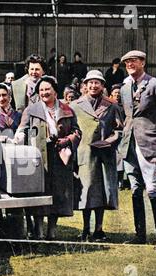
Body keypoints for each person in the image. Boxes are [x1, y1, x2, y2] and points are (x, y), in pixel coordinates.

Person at [11, 76, 81, 240]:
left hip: (60, 158)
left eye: (47, 89)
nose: (44, 93)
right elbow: (22, 130)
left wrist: (68, 140)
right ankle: (39, 230)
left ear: (55, 91)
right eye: (41, 90)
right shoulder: (31, 109)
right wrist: (17, 141)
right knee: (40, 193)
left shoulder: (67, 109)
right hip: (39, 158)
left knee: (58, 193)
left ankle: (52, 230)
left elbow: (77, 132)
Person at [119, 50, 156, 249]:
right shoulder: (125, 88)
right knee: (135, 189)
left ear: (143, 62)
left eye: (133, 61)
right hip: (129, 144)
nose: (130, 64)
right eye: (127, 62)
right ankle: (139, 234)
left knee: (152, 188)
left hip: (150, 143)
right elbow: (128, 115)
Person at [71, 70, 123, 242]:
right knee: (86, 192)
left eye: (97, 83)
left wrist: (108, 141)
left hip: (104, 156)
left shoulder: (112, 105)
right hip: (85, 154)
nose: (94, 86)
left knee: (102, 193)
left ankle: (99, 229)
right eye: (90, 82)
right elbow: (72, 129)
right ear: (85, 85)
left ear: (103, 86)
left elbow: (119, 130)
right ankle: (85, 228)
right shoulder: (75, 106)